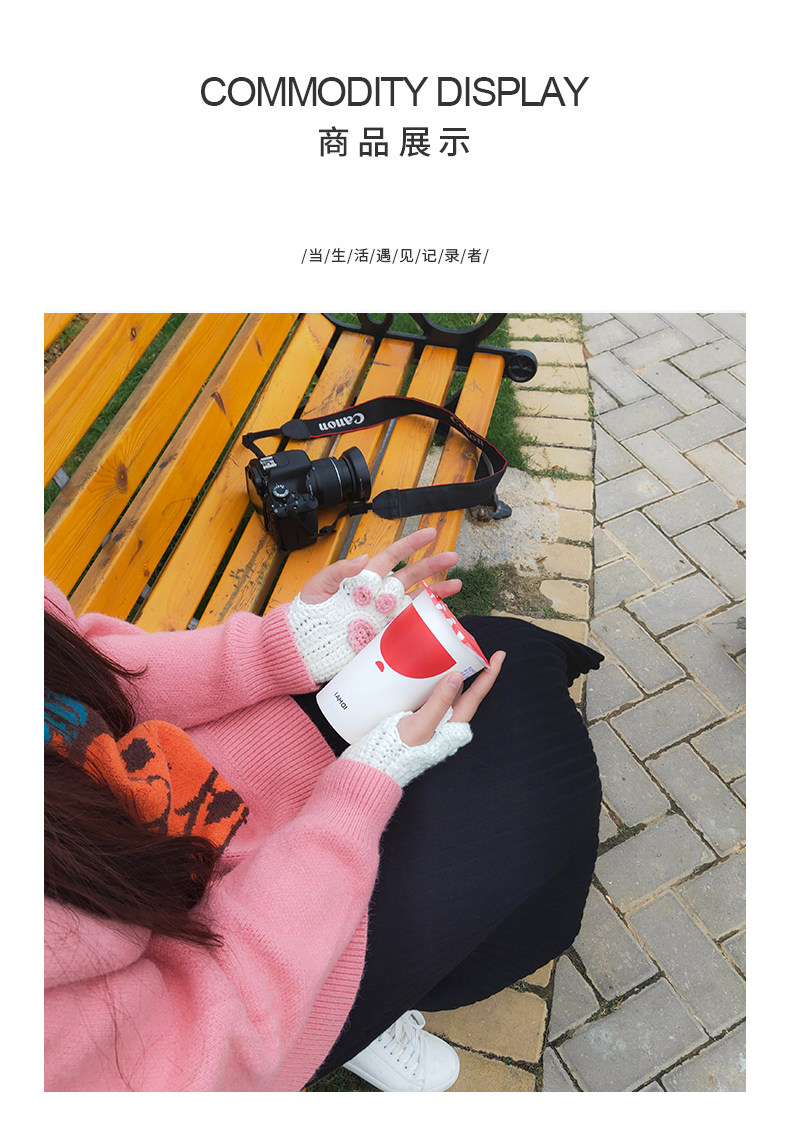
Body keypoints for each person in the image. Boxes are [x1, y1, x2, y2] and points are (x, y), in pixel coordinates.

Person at [44, 527, 603, 1092]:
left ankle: (387, 992)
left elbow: (75, 664)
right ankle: (367, 1016)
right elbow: (190, 1056)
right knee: (547, 809)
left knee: (510, 657)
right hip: (234, 965)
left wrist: (282, 644)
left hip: (194, 768)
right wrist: (360, 794)